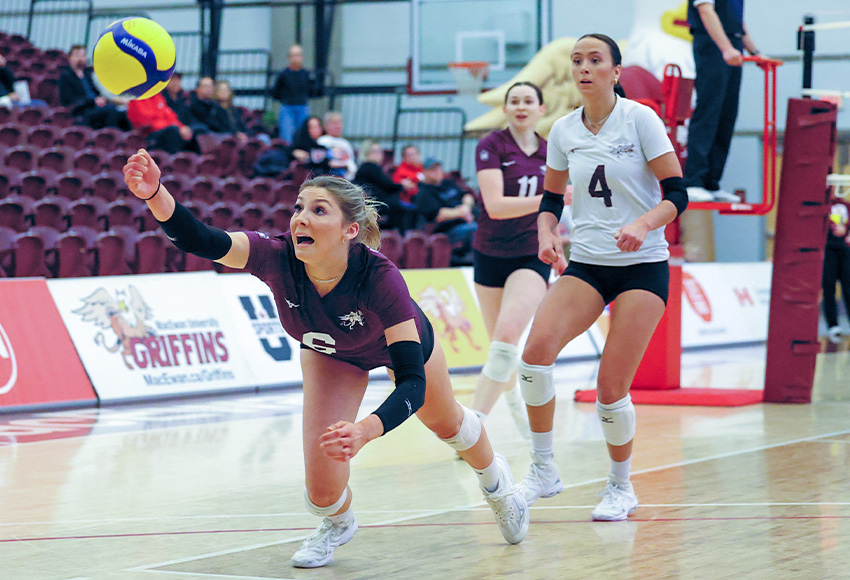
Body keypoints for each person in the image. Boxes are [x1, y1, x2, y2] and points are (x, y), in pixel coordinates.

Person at [122, 151, 529, 567]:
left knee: (448, 424)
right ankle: (337, 523)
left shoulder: (381, 278)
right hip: (332, 355)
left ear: (349, 229)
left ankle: (498, 486)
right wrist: (155, 193)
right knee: (322, 491)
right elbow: (202, 240)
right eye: (298, 207)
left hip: (394, 347)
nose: (301, 217)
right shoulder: (276, 256)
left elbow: (411, 383)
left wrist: (366, 429)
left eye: (319, 210)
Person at [515, 34, 688, 522]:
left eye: (595, 60)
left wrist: (643, 223)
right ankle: (543, 469)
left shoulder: (641, 120)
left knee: (611, 388)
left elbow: (678, 193)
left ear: (615, 71)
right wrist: (546, 231)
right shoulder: (564, 130)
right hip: (587, 265)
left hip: (642, 266)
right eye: (578, 61)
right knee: (533, 358)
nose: (584, 68)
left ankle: (620, 486)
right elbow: (550, 200)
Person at [469, 81, 551, 438]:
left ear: (541, 109)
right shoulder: (491, 145)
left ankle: (471, 428)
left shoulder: (552, 152)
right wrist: (551, 198)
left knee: (505, 340)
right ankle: (515, 401)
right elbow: (496, 206)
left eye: (528, 100)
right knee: (500, 348)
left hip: (531, 256)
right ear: (505, 109)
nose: (521, 106)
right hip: (489, 253)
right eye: (514, 100)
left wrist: (556, 235)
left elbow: (562, 208)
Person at [683, 0, 760, 202]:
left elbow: (738, 24)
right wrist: (725, 48)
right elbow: (706, 12)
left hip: (733, 45)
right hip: (712, 44)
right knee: (709, 109)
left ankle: (712, 182)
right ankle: (693, 181)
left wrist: (755, 52)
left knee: (727, 113)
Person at [413, 158, 477, 265]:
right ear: (425, 172)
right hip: (446, 230)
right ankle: (469, 261)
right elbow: (440, 215)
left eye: (439, 168)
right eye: (433, 170)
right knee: (475, 229)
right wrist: (462, 213)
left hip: (466, 221)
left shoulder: (448, 184)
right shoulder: (423, 192)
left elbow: (467, 196)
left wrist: (466, 207)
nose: (437, 172)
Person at [58, 44, 131, 130]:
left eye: (83, 55)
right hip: (82, 110)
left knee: (123, 113)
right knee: (111, 113)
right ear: (70, 58)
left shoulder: (87, 74)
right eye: (77, 56)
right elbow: (70, 99)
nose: (80, 59)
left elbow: (97, 92)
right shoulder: (65, 76)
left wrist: (102, 99)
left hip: (96, 107)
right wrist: (93, 101)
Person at [353, 140, 414, 231]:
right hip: (375, 204)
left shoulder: (366, 167)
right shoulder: (370, 167)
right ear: (367, 153)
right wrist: (402, 185)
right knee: (405, 210)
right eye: (375, 152)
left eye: (380, 151)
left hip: (374, 202)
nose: (380, 154)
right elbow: (387, 185)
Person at [126, 92, 200, 154]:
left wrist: (181, 127)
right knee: (172, 131)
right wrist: (172, 126)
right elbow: (145, 123)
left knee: (196, 130)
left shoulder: (157, 96)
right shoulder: (136, 99)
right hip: (149, 135)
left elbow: (170, 115)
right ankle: (174, 165)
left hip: (166, 129)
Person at [272, 44, 313, 144]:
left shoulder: (307, 74)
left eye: (298, 55)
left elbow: (312, 90)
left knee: (304, 133)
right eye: (293, 55)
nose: (295, 58)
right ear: (289, 57)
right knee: (286, 134)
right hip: (287, 107)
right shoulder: (283, 74)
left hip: (302, 106)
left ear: (302, 57)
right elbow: (275, 91)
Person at [823, 197, 850, 343]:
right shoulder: (824, 206)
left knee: (848, 287)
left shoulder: (846, 205)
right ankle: (833, 324)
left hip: (845, 250)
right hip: (829, 250)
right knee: (829, 286)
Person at [190, 76, 246, 141]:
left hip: (223, 136)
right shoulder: (191, 106)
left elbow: (227, 124)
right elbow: (210, 124)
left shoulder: (217, 107)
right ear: (197, 88)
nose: (209, 89)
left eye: (211, 86)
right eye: (205, 86)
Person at [317, 112, 357, 179]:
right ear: (326, 126)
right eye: (334, 123)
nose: (338, 126)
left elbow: (351, 164)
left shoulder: (345, 143)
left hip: (345, 179)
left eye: (339, 123)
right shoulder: (322, 141)